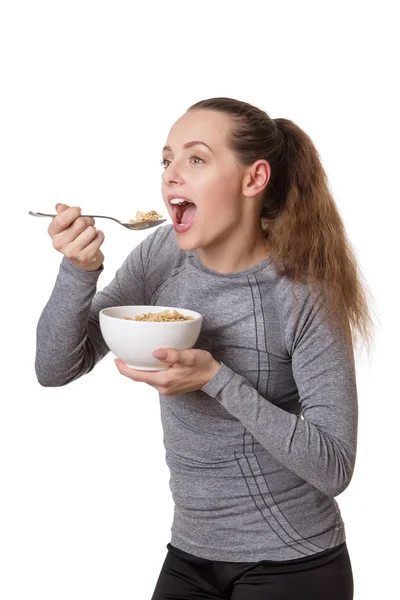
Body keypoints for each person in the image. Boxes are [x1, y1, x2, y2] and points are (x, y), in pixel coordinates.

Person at [35, 97, 373, 599]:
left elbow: (334, 466)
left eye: (195, 159)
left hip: (293, 561)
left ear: (254, 179)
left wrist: (215, 379)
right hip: (191, 554)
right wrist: (78, 271)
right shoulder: (161, 254)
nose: (171, 174)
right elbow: (54, 367)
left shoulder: (302, 292)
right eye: (166, 159)